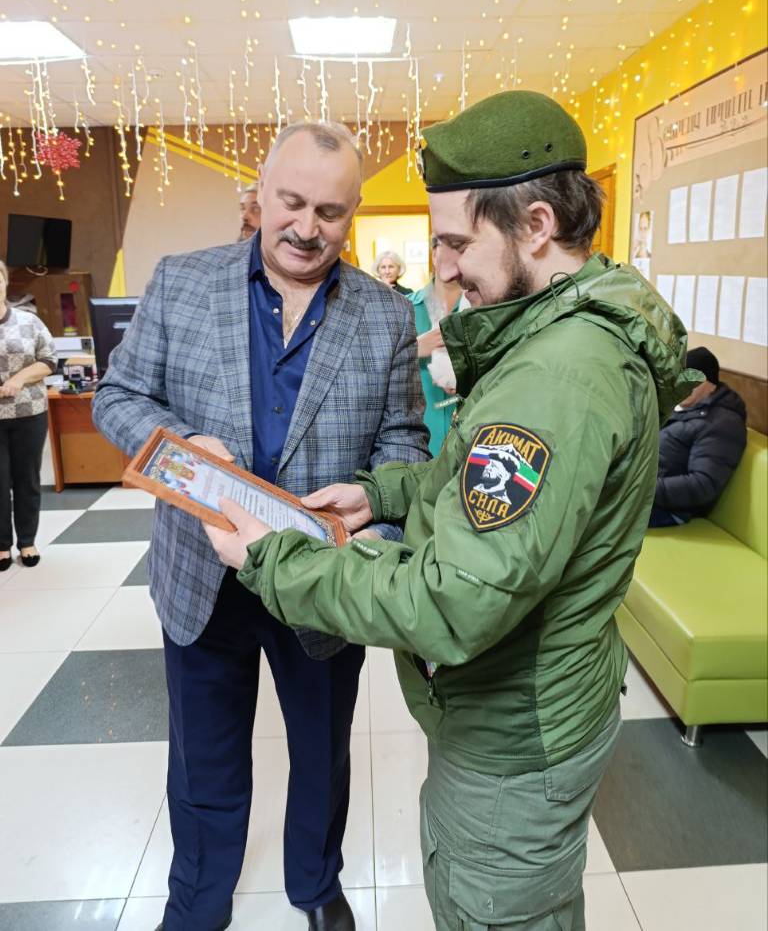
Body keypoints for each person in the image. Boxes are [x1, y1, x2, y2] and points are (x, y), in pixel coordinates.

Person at [204, 91, 697, 931]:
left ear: (536, 226)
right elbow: (486, 484)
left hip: (513, 736)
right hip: (533, 709)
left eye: (458, 242)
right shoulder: (560, 331)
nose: (445, 266)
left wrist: (271, 558)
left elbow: (451, 601)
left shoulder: (555, 377)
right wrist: (385, 492)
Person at [93, 121, 429, 931]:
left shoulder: (386, 315)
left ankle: (315, 888)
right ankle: (197, 903)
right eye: (291, 202)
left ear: (351, 214)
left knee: (322, 753)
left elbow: (405, 444)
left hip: (321, 582)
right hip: (201, 577)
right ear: (260, 192)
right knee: (203, 761)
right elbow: (118, 397)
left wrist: (371, 516)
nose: (307, 227)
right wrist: (179, 445)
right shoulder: (182, 282)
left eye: (330, 211)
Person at [0, 260, 57, 570]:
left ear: (5, 282)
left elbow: (49, 361)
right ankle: (1, 545)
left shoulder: (29, 322)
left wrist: (19, 379)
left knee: (27, 479)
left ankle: (26, 541)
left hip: (28, 413)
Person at [650, 346, 747, 527]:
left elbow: (703, 484)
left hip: (667, 508)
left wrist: (643, 489)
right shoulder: (684, 407)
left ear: (710, 383)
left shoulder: (722, 423)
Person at [407, 246, 465, 455]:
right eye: (446, 246)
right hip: (417, 436)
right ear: (433, 254)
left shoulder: (482, 310)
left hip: (468, 432)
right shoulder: (404, 308)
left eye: (460, 247)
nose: (453, 256)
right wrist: (411, 349)